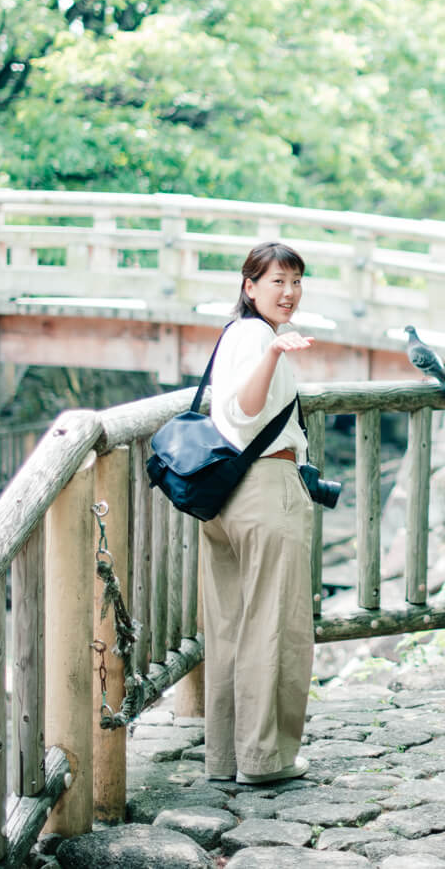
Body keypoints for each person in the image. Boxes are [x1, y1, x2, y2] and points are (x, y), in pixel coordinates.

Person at [202, 241, 317, 784]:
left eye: (296, 281)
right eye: (277, 281)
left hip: (224, 497)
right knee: (275, 626)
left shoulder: (233, 334)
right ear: (249, 287)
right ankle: (265, 760)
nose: (289, 292)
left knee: (230, 626)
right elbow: (247, 411)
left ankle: (226, 759)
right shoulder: (259, 338)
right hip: (267, 489)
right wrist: (275, 355)